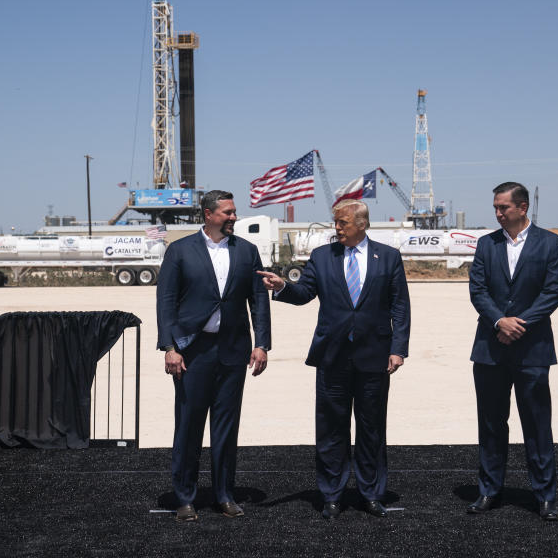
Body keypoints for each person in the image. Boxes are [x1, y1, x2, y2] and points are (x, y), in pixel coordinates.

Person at [258, 200, 410, 519]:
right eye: (335, 222)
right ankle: (331, 494)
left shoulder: (389, 257)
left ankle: (371, 494)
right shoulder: (322, 256)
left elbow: (400, 307)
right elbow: (304, 294)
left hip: (375, 357)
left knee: (371, 429)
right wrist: (283, 286)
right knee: (331, 430)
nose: (336, 228)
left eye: (343, 223)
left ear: (362, 224)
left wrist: (398, 349)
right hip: (332, 357)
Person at [156, 190, 271, 522]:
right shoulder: (180, 251)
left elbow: (258, 302)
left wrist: (261, 343)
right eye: (228, 212)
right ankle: (185, 498)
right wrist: (170, 348)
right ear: (208, 214)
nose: (234, 216)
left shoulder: (247, 252)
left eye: (234, 212)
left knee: (226, 427)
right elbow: (166, 302)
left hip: (233, 352)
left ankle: (224, 495)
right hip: (193, 352)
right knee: (189, 426)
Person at [466, 181, 558, 521]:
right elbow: (478, 291)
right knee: (491, 424)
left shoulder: (550, 243)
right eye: (495, 207)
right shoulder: (486, 245)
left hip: (532, 349)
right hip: (490, 350)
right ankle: (489, 490)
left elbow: (552, 293)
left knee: (537, 424)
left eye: (503, 207)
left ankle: (545, 496)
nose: (497, 213)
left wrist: (517, 324)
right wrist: (499, 322)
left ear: (522, 208)